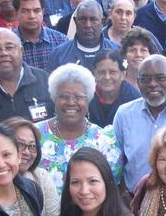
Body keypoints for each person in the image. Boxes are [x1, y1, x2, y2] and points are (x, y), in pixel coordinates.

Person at [113, 54, 166, 195]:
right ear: (138, 82)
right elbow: (116, 162)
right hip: (132, 202)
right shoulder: (124, 114)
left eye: (160, 78)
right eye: (145, 79)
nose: (152, 84)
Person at [37, 63, 123, 194]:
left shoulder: (105, 141)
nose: (71, 102)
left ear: (88, 99)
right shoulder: (35, 135)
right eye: (64, 96)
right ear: (54, 99)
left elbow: (111, 189)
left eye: (79, 97)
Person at [48, 0, 119, 72]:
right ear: (75, 21)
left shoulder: (117, 51)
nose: (88, 25)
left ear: (102, 22)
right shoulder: (59, 54)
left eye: (93, 20)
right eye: (83, 19)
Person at [13, 0, 69, 70]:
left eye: (37, 11)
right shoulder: (8, 43)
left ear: (43, 12)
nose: (32, 16)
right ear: (16, 13)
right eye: (25, 11)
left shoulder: (61, 41)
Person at [89, 49, 141, 127]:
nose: (107, 77)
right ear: (94, 74)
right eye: (101, 72)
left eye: (112, 72)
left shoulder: (134, 99)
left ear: (123, 74)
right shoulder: (86, 96)